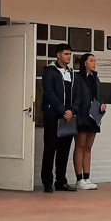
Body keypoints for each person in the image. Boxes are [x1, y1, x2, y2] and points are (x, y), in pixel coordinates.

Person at [40, 43, 76, 193]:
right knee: (50, 148)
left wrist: (72, 111)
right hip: (53, 115)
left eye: (70, 54)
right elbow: (49, 93)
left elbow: (77, 94)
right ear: (58, 55)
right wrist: (62, 110)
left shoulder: (72, 73)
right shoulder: (50, 71)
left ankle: (61, 181)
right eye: (66, 54)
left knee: (64, 150)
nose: (69, 57)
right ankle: (47, 182)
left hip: (68, 117)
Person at [70, 53, 106, 190]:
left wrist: (102, 104)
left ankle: (87, 177)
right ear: (84, 62)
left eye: (95, 60)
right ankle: (79, 179)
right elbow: (76, 96)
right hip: (81, 115)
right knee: (80, 146)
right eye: (91, 60)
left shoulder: (96, 79)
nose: (94, 63)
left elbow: (98, 96)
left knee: (88, 147)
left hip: (93, 116)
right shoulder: (78, 78)